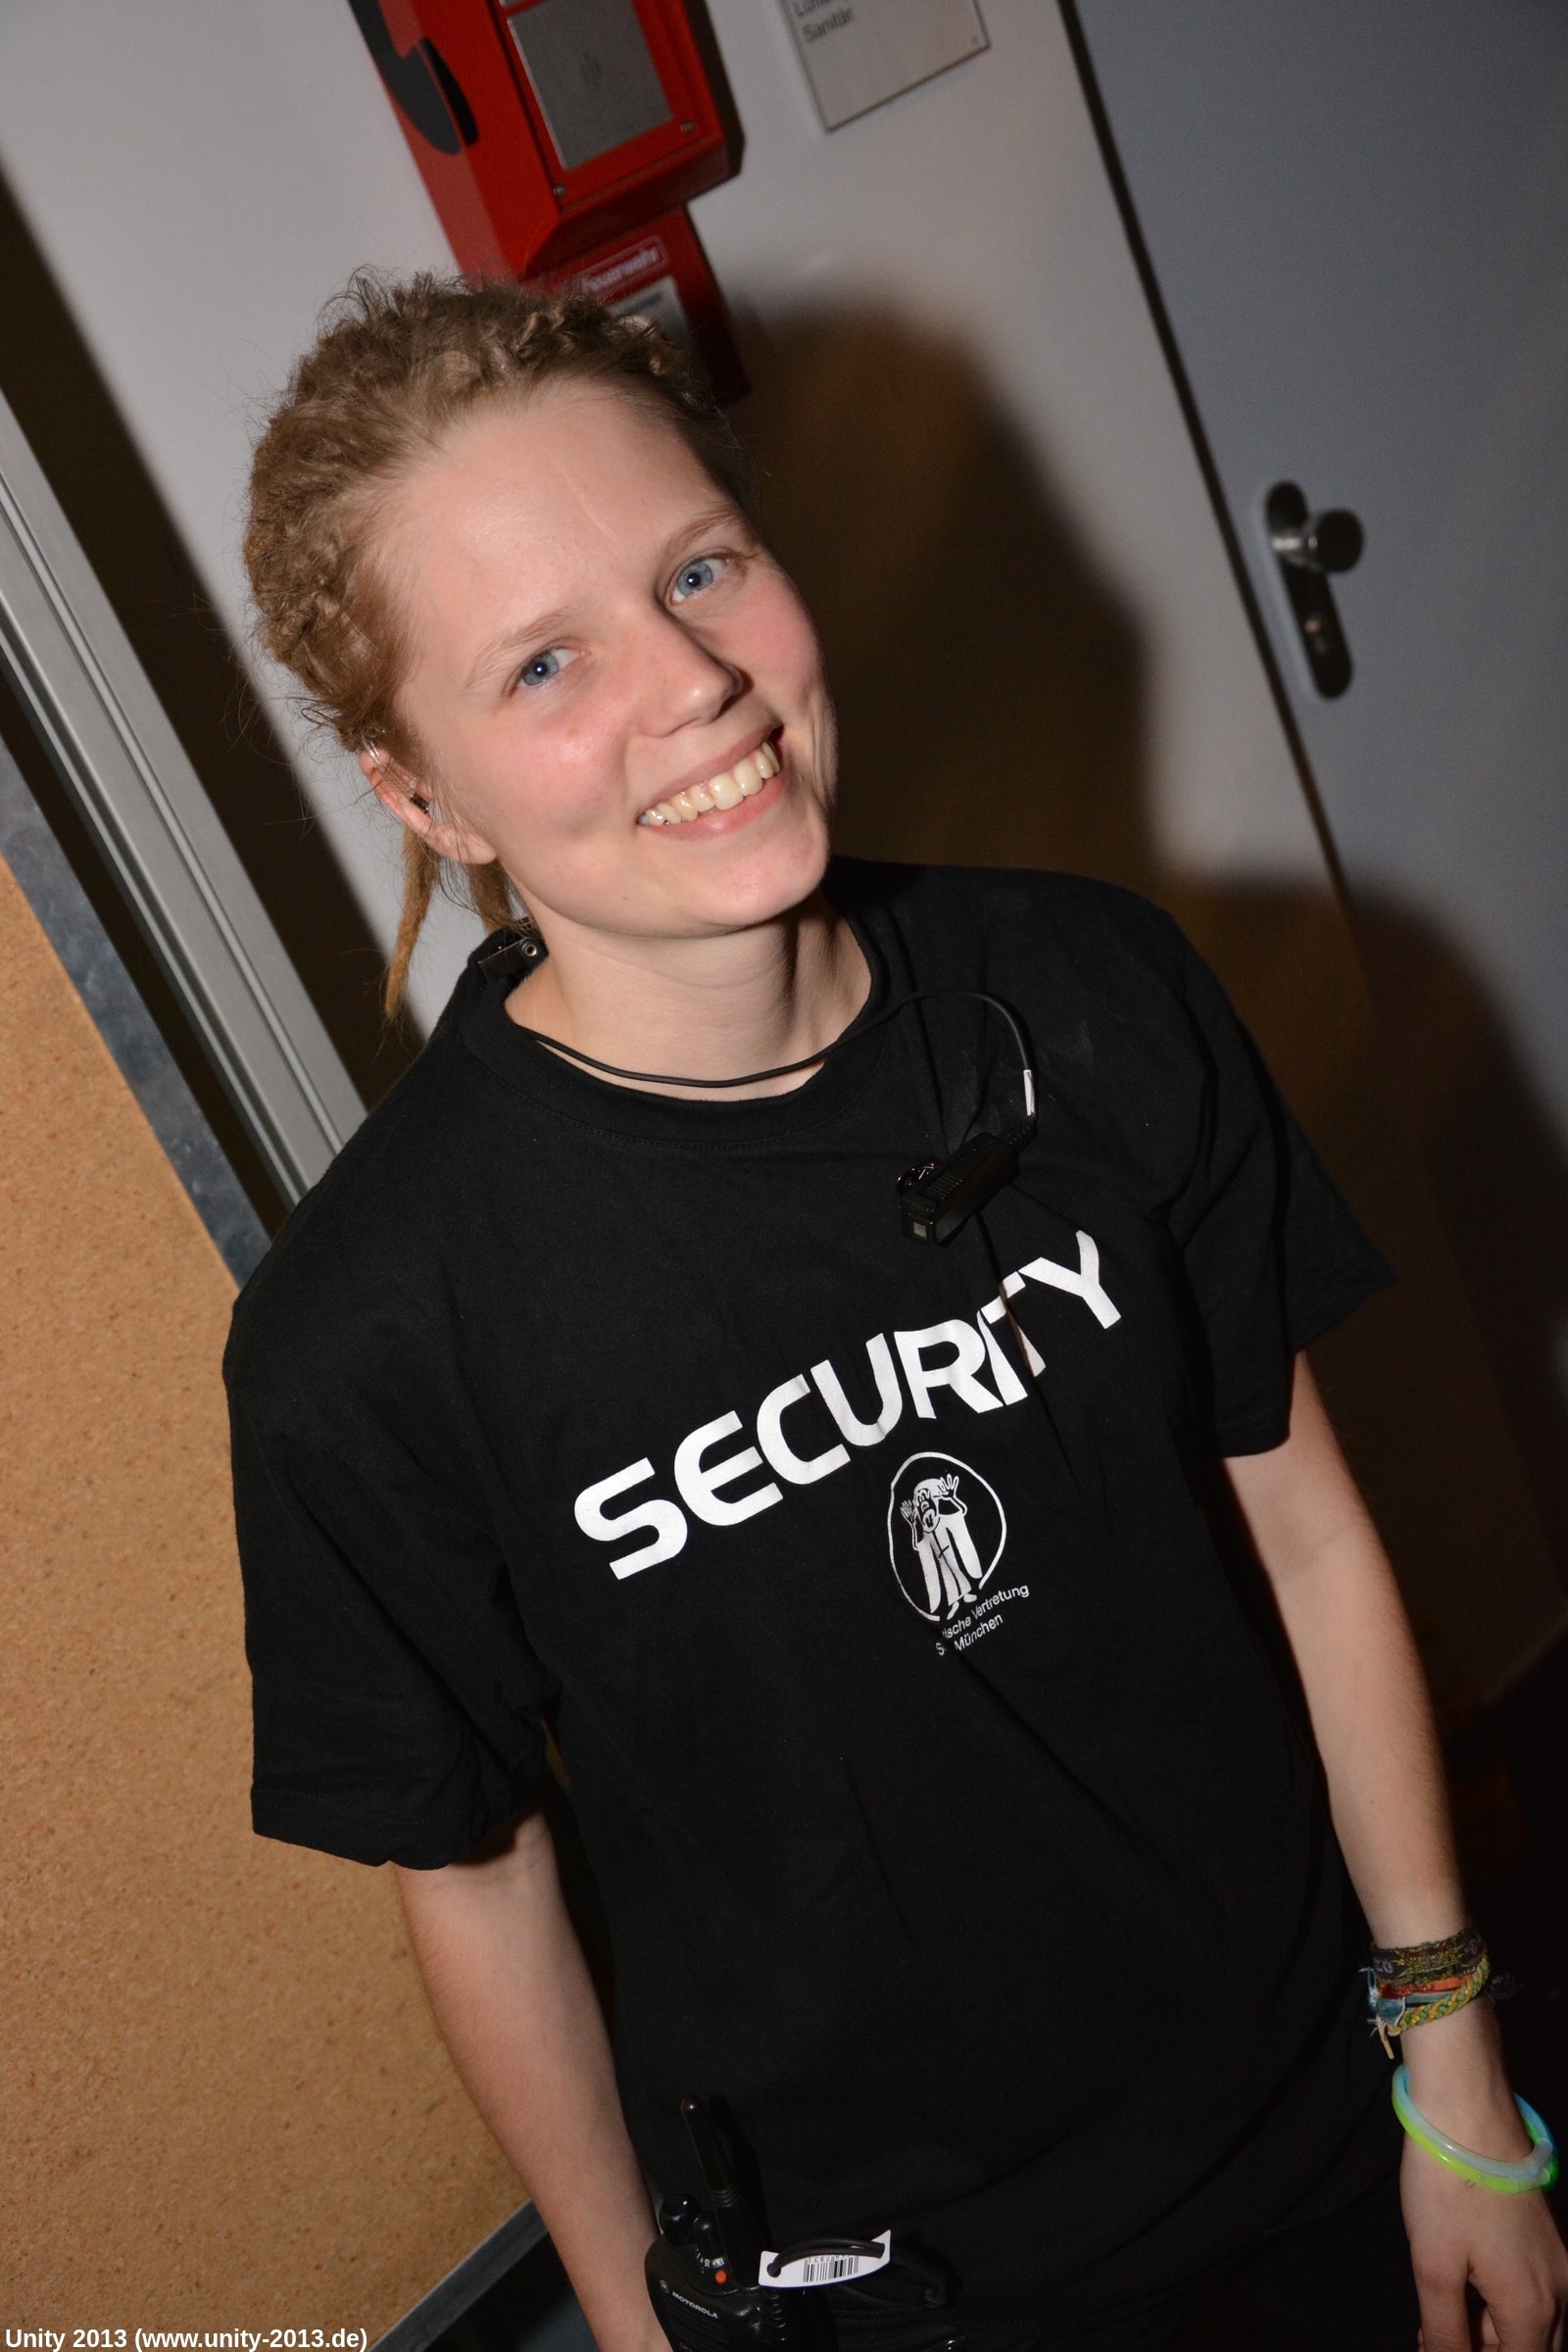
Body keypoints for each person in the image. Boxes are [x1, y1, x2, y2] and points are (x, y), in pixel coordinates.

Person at [227, 273, 1567, 2352]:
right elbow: (475, 1877)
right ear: (427, 799)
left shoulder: (1092, 994)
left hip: (1318, 2125)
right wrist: (638, 2323)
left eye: (701, 568)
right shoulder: (369, 1335)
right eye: (544, 662)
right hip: (889, 2292)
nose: (692, 683)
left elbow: (1306, 1532)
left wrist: (1453, 2074)